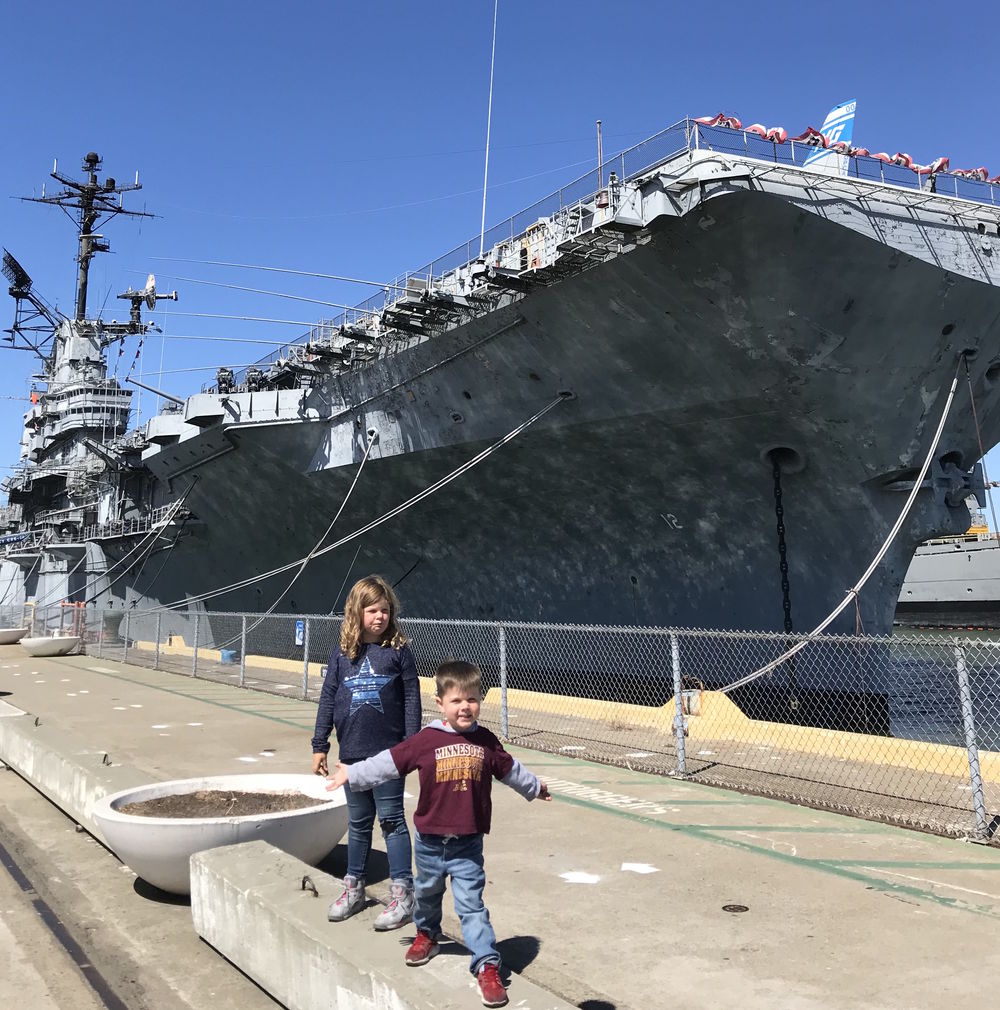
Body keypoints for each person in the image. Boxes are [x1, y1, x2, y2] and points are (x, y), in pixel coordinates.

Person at [326, 659, 551, 1009]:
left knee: (471, 906)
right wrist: (353, 774)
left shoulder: (486, 741)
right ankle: (427, 934)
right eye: (457, 701)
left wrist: (534, 787)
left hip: (467, 844)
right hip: (430, 842)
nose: (465, 707)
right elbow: (389, 762)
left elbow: (510, 769)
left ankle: (487, 964)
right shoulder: (425, 740)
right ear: (440, 703)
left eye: (472, 699)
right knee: (428, 896)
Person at [311, 575, 421, 931]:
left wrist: (411, 746)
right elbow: (328, 697)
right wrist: (319, 745)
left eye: (385, 610)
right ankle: (354, 887)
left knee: (392, 822)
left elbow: (411, 700)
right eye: (372, 610)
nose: (379, 617)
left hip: (388, 756)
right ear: (356, 612)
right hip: (351, 755)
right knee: (357, 826)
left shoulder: (399, 652)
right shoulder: (343, 654)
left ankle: (403, 894)